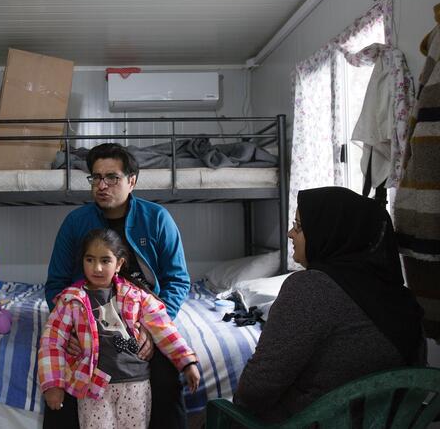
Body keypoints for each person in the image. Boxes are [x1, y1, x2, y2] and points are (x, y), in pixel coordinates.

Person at [233, 186, 426, 423]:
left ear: (331, 233)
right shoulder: (402, 299)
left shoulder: (311, 288)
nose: (290, 234)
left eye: (299, 227)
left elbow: (254, 392)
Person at [44, 143, 192, 429]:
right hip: (89, 317)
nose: (102, 185)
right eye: (96, 177)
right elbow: (55, 284)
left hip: (142, 318)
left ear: (131, 181)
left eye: (112, 177)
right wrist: (72, 327)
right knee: (64, 373)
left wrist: (153, 330)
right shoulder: (76, 222)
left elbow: (177, 280)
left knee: (166, 374)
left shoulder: (157, 219)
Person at [38, 228, 200, 429]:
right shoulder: (70, 299)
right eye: (90, 260)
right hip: (93, 386)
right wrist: (53, 385)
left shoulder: (137, 295)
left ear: (119, 264)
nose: (96, 268)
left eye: (105, 261)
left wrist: (187, 362)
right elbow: (51, 341)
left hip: (136, 384)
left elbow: (164, 328)